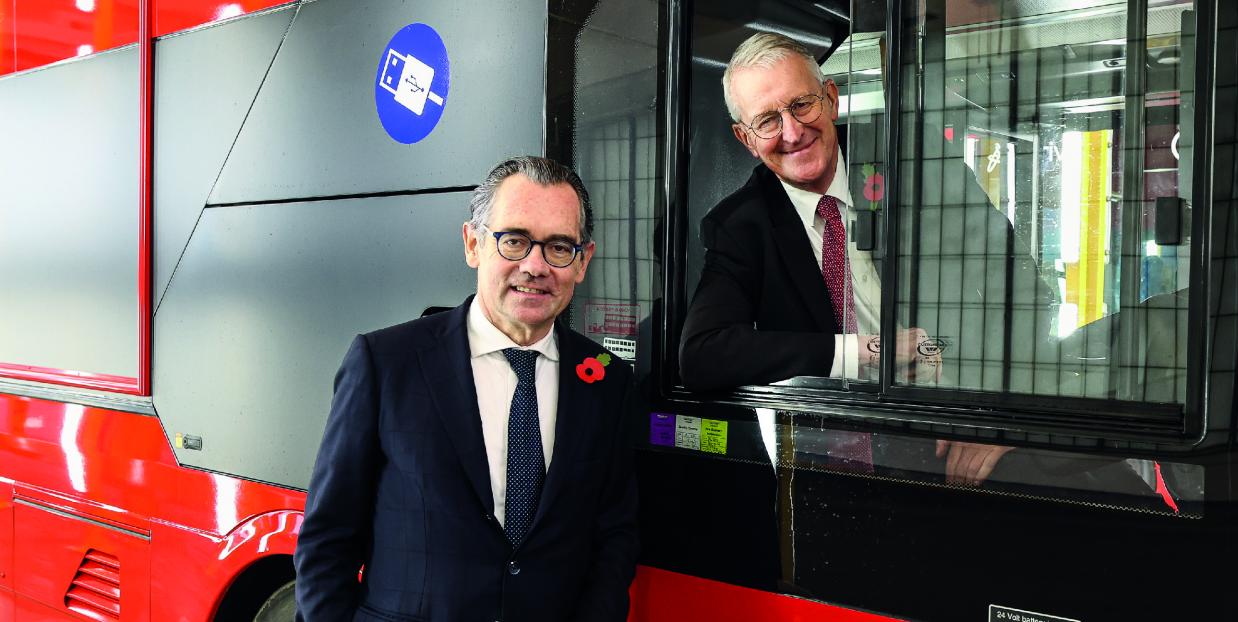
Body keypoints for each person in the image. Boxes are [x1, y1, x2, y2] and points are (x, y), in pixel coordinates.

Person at [294, 156, 637, 621]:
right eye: (514, 241)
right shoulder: (386, 364)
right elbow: (327, 541)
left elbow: (613, 537)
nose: (535, 266)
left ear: (583, 261)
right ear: (473, 244)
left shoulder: (606, 381)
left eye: (559, 247)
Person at [679, 32, 1014, 484]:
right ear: (746, 139)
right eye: (768, 121)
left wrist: (997, 416)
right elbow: (703, 355)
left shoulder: (913, 160)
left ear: (831, 98)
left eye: (801, 105)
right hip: (841, 467)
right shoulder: (740, 225)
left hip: (965, 426)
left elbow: (1018, 284)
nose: (793, 133)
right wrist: (866, 352)